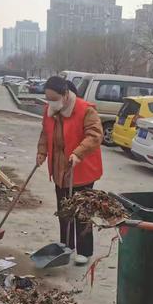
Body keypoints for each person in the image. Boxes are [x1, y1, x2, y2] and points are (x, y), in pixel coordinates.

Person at [36, 76, 103, 265]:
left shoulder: (85, 109)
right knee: (64, 211)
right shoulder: (49, 110)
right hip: (60, 170)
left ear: (65, 95)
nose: (50, 102)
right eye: (48, 98)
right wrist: (42, 152)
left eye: (54, 98)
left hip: (81, 170)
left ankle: (84, 250)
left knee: (82, 212)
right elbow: (44, 133)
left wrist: (79, 153)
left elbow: (95, 135)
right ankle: (66, 246)